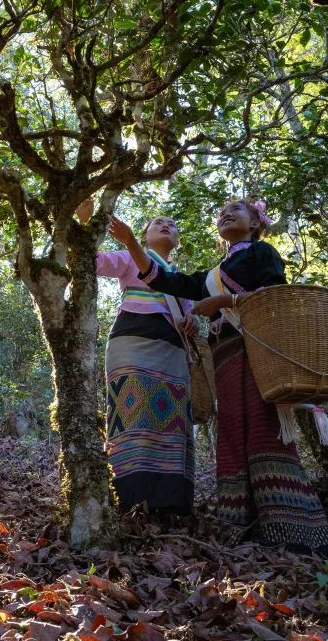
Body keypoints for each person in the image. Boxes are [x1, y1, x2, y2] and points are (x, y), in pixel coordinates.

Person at [108, 199, 328, 556]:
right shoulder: (212, 274)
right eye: (222, 212)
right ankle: (238, 523)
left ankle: (292, 531)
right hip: (224, 356)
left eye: (238, 210)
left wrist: (226, 301)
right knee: (231, 428)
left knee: (263, 427)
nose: (227, 214)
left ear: (255, 224)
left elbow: (275, 298)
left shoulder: (263, 253)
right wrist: (132, 245)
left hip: (259, 351)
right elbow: (165, 280)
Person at [77, 200, 196, 516]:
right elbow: (94, 262)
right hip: (131, 342)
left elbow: (190, 315)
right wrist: (87, 221)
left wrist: (192, 321)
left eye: (172, 224)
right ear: (143, 236)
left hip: (172, 351)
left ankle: (170, 499)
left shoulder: (178, 278)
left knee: (171, 418)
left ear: (178, 240)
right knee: (131, 412)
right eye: (158, 222)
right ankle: (130, 495)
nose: (166, 225)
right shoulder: (130, 256)